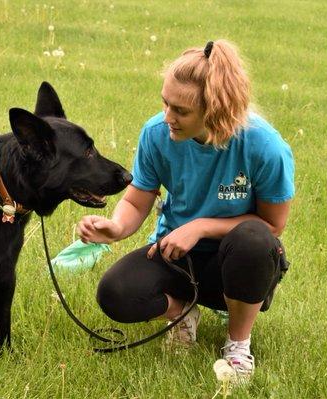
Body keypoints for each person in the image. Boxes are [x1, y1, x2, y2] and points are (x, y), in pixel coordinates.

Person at [77, 39, 294, 379]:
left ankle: (237, 345)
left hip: (238, 264)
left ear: (216, 111)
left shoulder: (265, 146)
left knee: (254, 240)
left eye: (181, 111)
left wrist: (202, 226)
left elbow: (272, 225)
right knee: (114, 293)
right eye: (166, 104)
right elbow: (137, 199)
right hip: (177, 256)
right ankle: (181, 313)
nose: (168, 118)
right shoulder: (156, 134)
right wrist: (115, 227)